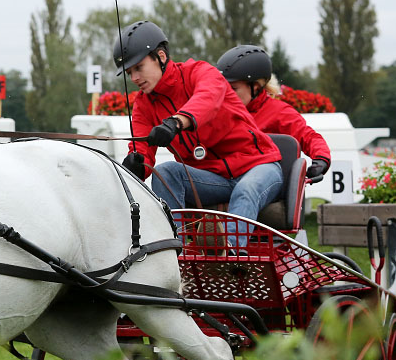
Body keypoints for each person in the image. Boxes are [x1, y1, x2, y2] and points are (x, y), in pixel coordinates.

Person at [114, 21, 283, 248]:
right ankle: (176, 252)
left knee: (246, 189)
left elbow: (207, 100)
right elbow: (142, 150)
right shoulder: (143, 105)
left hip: (259, 166)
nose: (134, 78)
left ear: (161, 56)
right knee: (165, 172)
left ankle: (227, 252)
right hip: (214, 179)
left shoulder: (201, 72)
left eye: (139, 67)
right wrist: (136, 165)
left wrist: (177, 122)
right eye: (129, 72)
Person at [216, 44, 331, 183]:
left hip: (261, 182)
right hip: (222, 179)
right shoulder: (217, 112)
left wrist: (321, 159)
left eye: (232, 89)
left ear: (255, 87)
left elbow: (309, 136)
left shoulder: (279, 112)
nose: (225, 95)